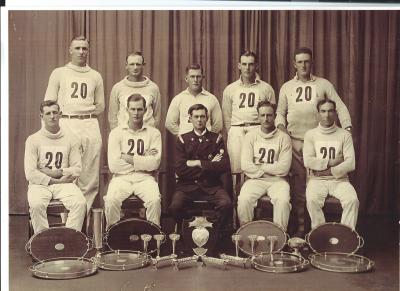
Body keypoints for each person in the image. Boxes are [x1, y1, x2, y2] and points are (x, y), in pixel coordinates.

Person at [276, 47, 352, 236]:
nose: (303, 65)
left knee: (316, 186)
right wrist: (284, 132)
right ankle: (300, 231)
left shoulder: (323, 84)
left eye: (306, 61)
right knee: (299, 189)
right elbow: (279, 113)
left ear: (312, 63)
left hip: (319, 142)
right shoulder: (287, 87)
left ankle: (317, 233)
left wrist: (347, 128)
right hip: (295, 142)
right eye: (300, 61)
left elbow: (340, 106)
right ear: (294, 64)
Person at [44, 35, 104, 212]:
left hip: (90, 124)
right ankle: (68, 219)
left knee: (89, 175)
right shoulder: (59, 73)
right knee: (68, 171)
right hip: (67, 122)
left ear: (88, 51)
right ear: (70, 50)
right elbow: (48, 102)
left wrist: (83, 110)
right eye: (77, 48)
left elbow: (100, 107)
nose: (81, 52)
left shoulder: (95, 76)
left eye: (84, 48)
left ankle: (83, 219)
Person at [169, 103, 232, 238]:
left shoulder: (217, 139)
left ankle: (214, 233)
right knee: (175, 206)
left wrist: (198, 163)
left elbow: (223, 166)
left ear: (207, 118)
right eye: (196, 116)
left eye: (202, 116)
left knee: (226, 204)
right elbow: (180, 169)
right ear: (190, 118)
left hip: (212, 186)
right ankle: (187, 230)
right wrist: (209, 165)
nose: (199, 120)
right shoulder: (182, 140)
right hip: (187, 186)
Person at [25, 100, 86, 234]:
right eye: (48, 113)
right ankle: (43, 242)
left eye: (54, 112)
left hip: (65, 183)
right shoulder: (33, 139)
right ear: (42, 117)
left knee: (80, 203)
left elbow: (77, 169)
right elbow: (30, 173)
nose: (52, 116)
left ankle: (70, 238)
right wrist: (54, 179)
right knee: (36, 205)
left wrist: (57, 172)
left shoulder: (71, 138)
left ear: (60, 115)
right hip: (39, 184)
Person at [104, 94, 162, 228]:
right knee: (111, 200)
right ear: (127, 110)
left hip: (145, 178)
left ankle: (154, 239)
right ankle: (112, 236)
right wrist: (143, 159)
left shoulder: (154, 133)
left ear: (145, 111)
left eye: (139, 109)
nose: (136, 113)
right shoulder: (116, 133)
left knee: (154, 200)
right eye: (133, 109)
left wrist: (127, 157)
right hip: (121, 178)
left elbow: (155, 163)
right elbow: (114, 166)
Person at [303, 99, 359, 229]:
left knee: (352, 200)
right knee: (312, 200)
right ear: (318, 113)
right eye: (323, 111)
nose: (326, 115)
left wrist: (324, 170)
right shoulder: (310, 135)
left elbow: (350, 164)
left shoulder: (345, 135)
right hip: (316, 180)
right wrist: (332, 162)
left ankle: (345, 235)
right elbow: (308, 161)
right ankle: (321, 235)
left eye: (330, 111)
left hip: (340, 180)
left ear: (335, 113)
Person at [237, 101, 292, 230]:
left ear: (274, 116)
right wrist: (269, 169)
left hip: (278, 181)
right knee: (244, 200)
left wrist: (259, 166)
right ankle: (246, 236)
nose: (266, 119)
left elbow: (284, 168)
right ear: (258, 116)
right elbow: (245, 165)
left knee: (283, 201)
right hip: (255, 180)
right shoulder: (251, 136)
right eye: (262, 115)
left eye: (269, 115)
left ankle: (280, 237)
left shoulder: (283, 137)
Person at [222, 50, 276, 175]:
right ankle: (237, 194)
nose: (247, 68)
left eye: (251, 64)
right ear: (239, 65)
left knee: (256, 166)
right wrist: (232, 130)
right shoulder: (230, 89)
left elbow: (272, 113)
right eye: (244, 64)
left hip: (257, 129)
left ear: (256, 66)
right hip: (237, 131)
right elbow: (227, 115)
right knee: (236, 169)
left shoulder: (266, 88)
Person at [165, 64, 223, 136]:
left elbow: (218, 124)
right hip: (186, 145)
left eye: (198, 77)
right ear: (186, 79)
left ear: (203, 78)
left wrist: (209, 138)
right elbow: (169, 123)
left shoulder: (211, 99)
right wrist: (183, 137)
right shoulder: (178, 99)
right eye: (192, 77)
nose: (195, 80)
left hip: (207, 144)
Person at [108, 51, 161, 130]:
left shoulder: (153, 88)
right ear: (126, 66)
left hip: (146, 135)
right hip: (124, 135)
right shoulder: (117, 88)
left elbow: (157, 116)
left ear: (143, 65)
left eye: (138, 64)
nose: (135, 67)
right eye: (132, 64)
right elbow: (112, 117)